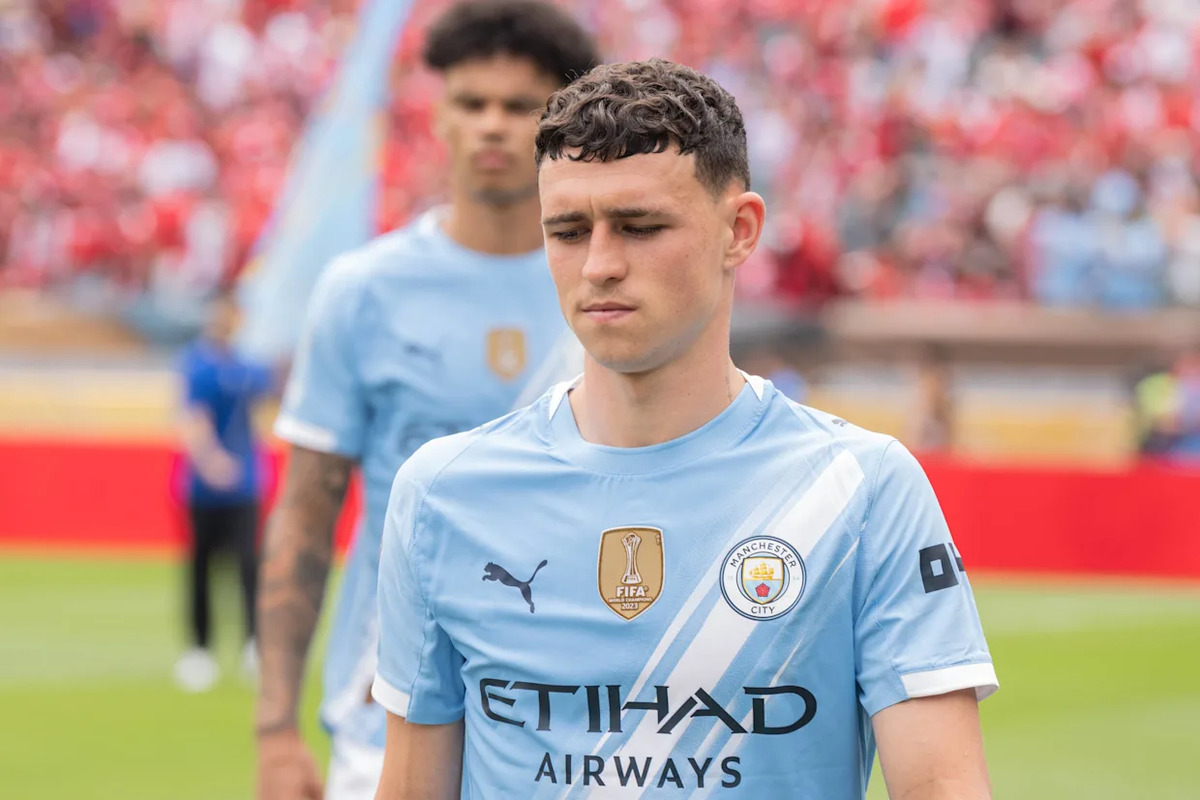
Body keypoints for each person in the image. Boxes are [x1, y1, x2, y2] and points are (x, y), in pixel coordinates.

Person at [372, 59, 998, 799]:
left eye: (639, 227)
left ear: (740, 230)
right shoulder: (444, 492)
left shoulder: (861, 489)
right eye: (568, 231)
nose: (599, 265)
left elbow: (941, 786)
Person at [254, 3, 600, 799]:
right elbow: (306, 513)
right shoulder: (364, 290)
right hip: (384, 719)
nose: (493, 125)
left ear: (561, 123)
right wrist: (274, 728)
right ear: (438, 113)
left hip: (567, 728)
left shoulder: (608, 286)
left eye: (520, 105)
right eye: (472, 102)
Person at [175, 290, 273, 692]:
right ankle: (200, 650)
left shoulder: (249, 364)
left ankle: (254, 644)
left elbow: (273, 397)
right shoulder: (197, 363)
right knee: (201, 566)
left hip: (245, 485)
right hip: (203, 488)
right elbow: (193, 417)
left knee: (248, 564)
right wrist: (211, 461)